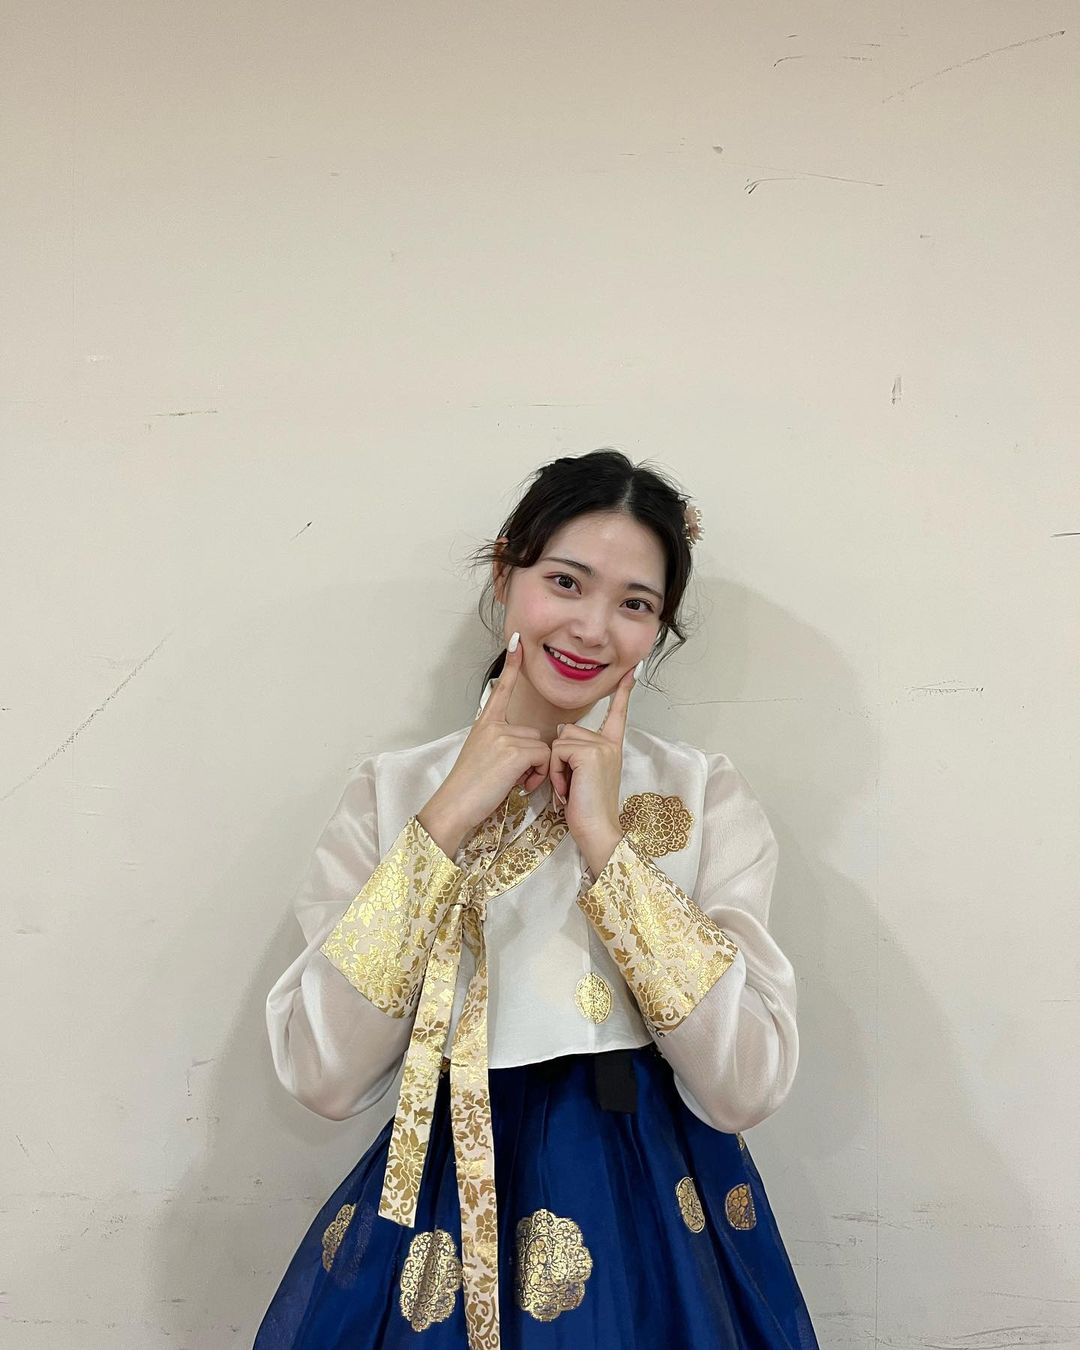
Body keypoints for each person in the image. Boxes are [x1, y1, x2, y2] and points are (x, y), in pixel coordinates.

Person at [254, 449, 819, 1349]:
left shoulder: (704, 795)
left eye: (635, 604)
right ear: (504, 573)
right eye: (566, 581)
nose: (592, 628)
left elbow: (746, 1086)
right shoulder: (392, 793)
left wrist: (607, 849)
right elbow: (324, 1078)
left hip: (655, 1221)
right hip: (442, 1210)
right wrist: (444, 822)